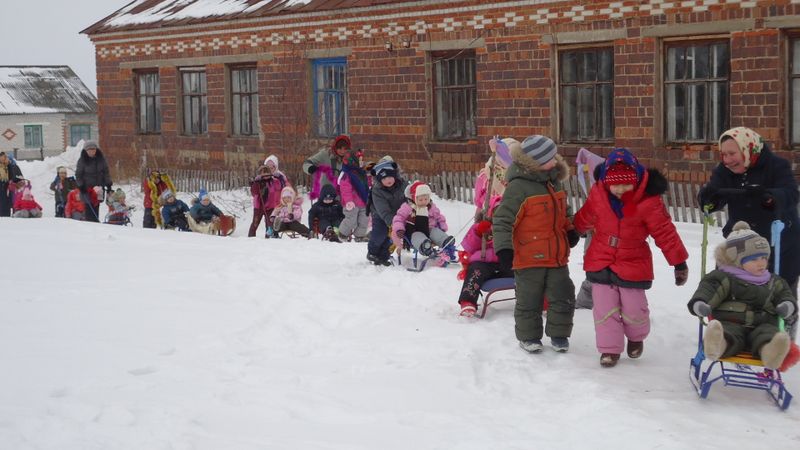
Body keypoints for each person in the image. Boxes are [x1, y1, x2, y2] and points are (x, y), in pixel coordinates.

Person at [574, 148, 689, 367]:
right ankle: (609, 350)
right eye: (615, 185)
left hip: (633, 260)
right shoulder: (599, 193)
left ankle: (636, 337)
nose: (620, 190)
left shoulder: (648, 200)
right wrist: (574, 230)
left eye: (626, 185)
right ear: (607, 181)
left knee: (634, 308)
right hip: (600, 257)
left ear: (636, 180)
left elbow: (665, 232)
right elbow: (586, 216)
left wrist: (679, 262)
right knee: (604, 308)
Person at [698, 127, 800, 339]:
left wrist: (769, 196)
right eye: (723, 154)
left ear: (748, 148)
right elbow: (715, 192)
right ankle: (729, 330)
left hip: (778, 240)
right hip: (741, 242)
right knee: (731, 283)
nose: (727, 160)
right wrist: (709, 198)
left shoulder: (776, 166)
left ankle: (783, 332)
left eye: (732, 153)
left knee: (780, 287)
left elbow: (791, 193)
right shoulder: (725, 171)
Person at [492, 135, 580, 354]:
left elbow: (564, 211)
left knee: (563, 294)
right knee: (529, 299)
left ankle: (559, 334)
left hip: (557, 255)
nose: (555, 161)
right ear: (535, 163)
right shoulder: (518, 188)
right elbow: (503, 220)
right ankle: (529, 336)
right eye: (550, 158)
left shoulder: (553, 181)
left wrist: (570, 230)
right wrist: (504, 249)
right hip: (528, 257)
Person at [688, 221, 796, 370]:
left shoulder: (773, 281)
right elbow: (709, 289)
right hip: (731, 321)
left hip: (762, 324)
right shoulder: (725, 277)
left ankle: (771, 353)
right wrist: (700, 303)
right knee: (727, 334)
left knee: (768, 334)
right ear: (737, 261)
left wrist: (787, 305)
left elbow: (785, 294)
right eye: (753, 259)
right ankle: (716, 345)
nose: (761, 264)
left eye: (764, 258)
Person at [457, 195, 514, 317]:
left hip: (507, 261)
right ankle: (468, 301)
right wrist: (478, 232)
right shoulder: (482, 226)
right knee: (476, 270)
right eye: (496, 212)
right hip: (485, 262)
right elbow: (470, 247)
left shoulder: (512, 227)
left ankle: (538, 299)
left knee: (529, 271)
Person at [391, 181, 456, 265]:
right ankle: (425, 247)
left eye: (426, 199)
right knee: (418, 237)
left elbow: (439, 217)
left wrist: (442, 226)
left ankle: (446, 242)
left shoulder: (431, 207)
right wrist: (399, 229)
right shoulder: (407, 207)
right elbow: (398, 218)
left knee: (435, 232)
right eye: (420, 199)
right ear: (414, 198)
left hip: (429, 229)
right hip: (414, 232)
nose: (424, 202)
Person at [367, 159, 407, 266]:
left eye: (390, 177)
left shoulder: (403, 184)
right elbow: (383, 209)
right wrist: (393, 223)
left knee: (391, 237)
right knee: (380, 233)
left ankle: (384, 255)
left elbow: (408, 197)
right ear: (379, 180)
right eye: (384, 178)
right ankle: (372, 252)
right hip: (380, 214)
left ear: (395, 175)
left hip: (398, 215)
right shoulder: (377, 190)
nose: (388, 180)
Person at [473, 137, 513, 221]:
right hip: (487, 218)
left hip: (506, 220)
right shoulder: (485, 175)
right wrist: (478, 220)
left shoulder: (515, 177)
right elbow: (479, 203)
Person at [75, 140, 112, 222]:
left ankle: (95, 222)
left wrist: (108, 183)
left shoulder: (101, 159)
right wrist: (81, 186)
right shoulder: (82, 160)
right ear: (86, 150)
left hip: (99, 188)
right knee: (88, 207)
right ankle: (89, 223)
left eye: (93, 149)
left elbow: (106, 172)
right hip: (87, 189)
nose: (92, 151)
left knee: (96, 205)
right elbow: (78, 175)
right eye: (90, 149)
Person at [338, 149, 370, 242]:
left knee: (364, 220)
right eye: (359, 160)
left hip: (363, 202)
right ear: (353, 161)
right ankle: (342, 234)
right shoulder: (347, 174)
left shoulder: (362, 173)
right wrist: (348, 201)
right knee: (351, 220)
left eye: (362, 160)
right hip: (352, 203)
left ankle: (359, 235)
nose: (362, 162)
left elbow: (366, 186)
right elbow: (345, 189)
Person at [248, 163, 288, 237]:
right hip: (259, 207)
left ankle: (269, 238)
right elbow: (254, 193)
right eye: (264, 173)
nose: (266, 175)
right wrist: (256, 183)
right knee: (255, 223)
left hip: (270, 207)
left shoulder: (273, 181)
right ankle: (250, 238)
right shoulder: (258, 183)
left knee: (270, 224)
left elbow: (280, 187)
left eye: (267, 173)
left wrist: (280, 178)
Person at [304, 134, 349, 200]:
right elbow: (307, 163)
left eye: (345, 149)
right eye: (340, 148)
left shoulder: (351, 158)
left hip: (346, 198)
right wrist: (310, 168)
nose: (342, 151)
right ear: (335, 147)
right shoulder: (326, 154)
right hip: (327, 196)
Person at [0, 151, 24, 217]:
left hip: (6, 188)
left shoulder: (8, 166)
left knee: (6, 205)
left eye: (6, 157)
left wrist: (19, 181)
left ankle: (6, 218)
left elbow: (12, 177)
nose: (5, 158)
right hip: (1, 186)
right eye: (4, 157)